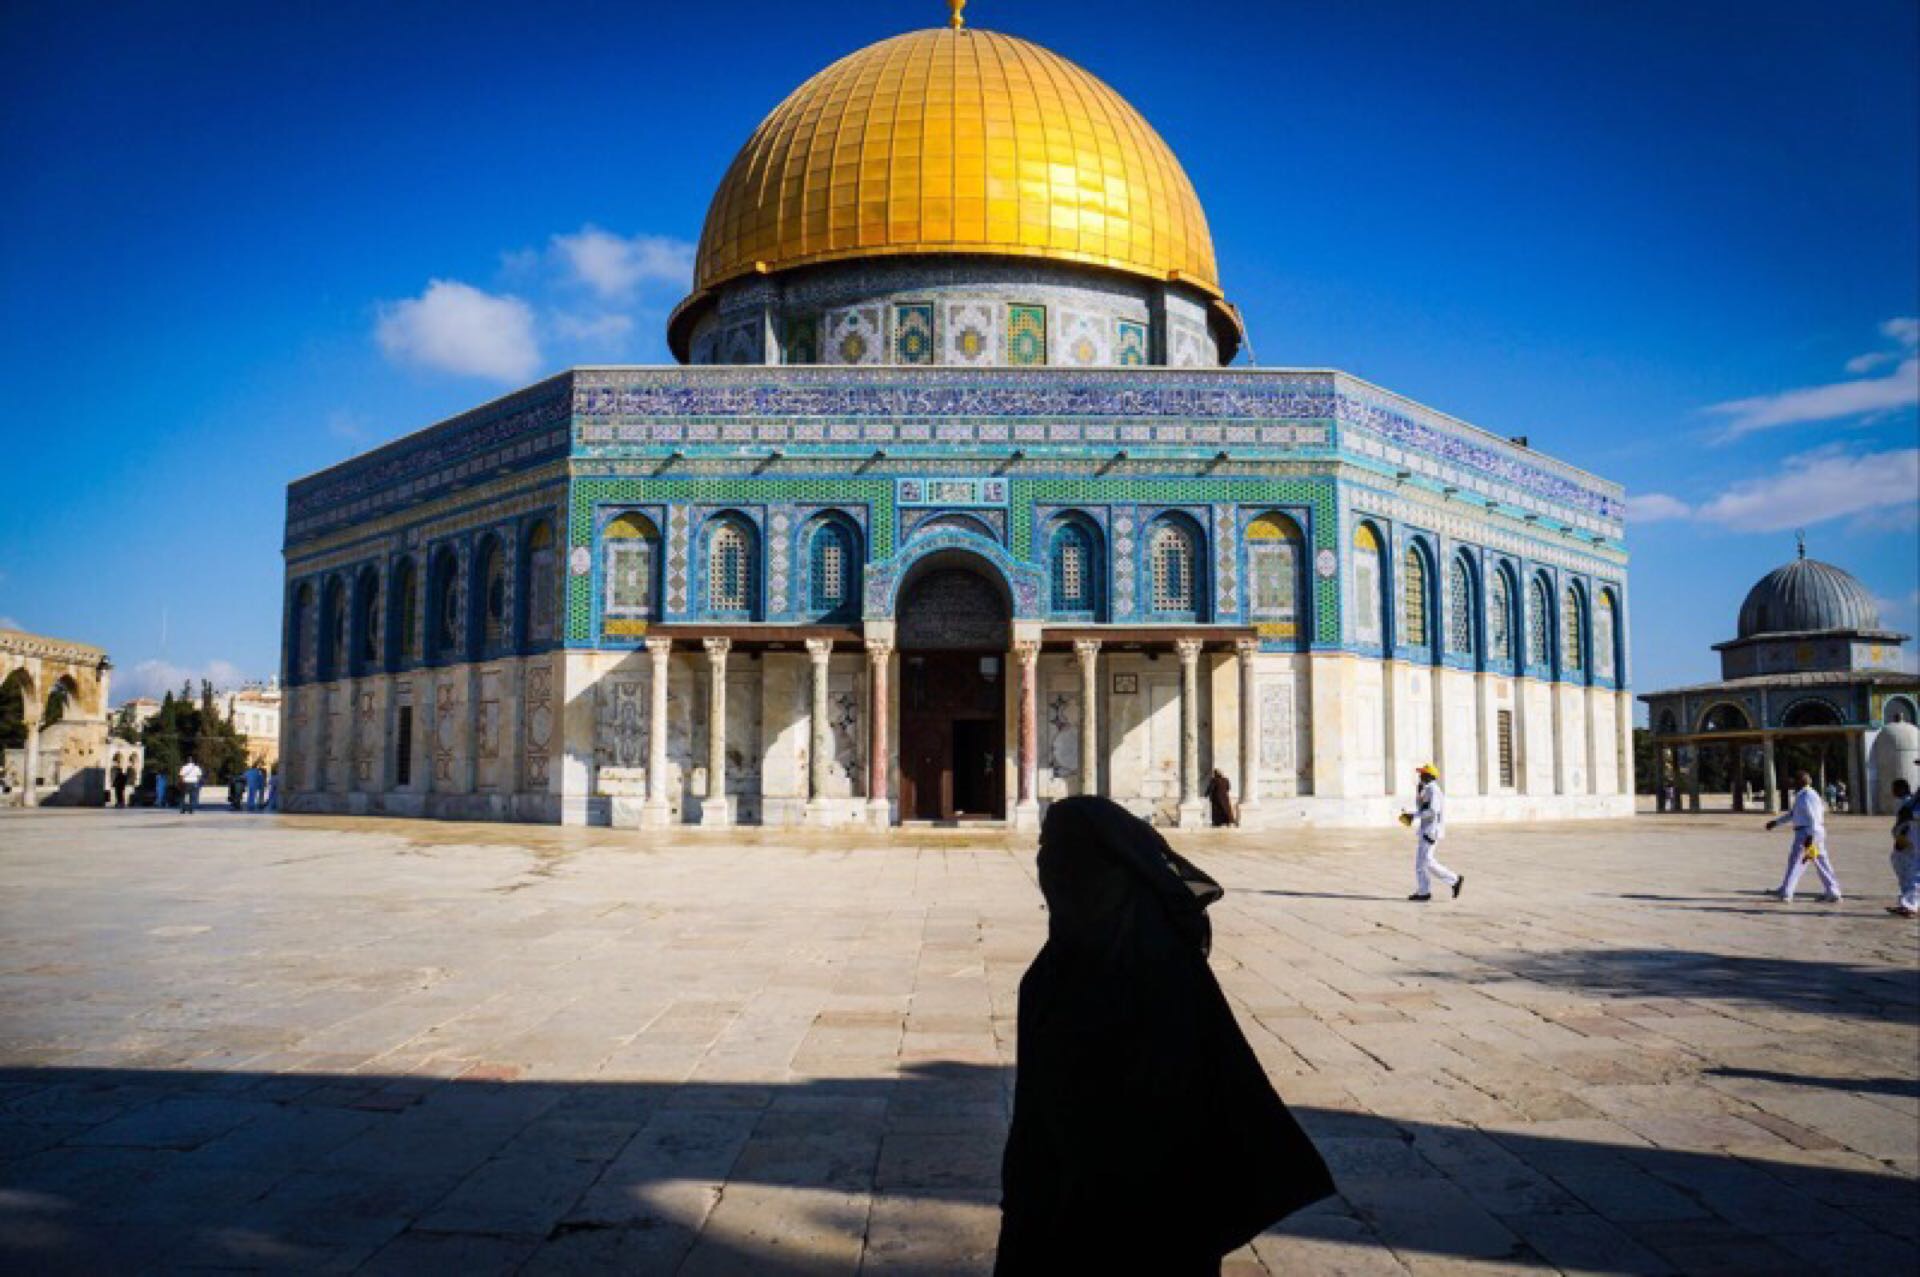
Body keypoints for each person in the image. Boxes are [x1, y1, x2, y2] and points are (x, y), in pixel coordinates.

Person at [995, 797, 1333, 1274]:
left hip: (1157, 1219)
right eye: (1045, 848)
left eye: (1059, 849)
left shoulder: (1164, 973)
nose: (1048, 864)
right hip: (1063, 1216)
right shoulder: (1054, 972)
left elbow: (1201, 1110)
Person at [1766, 770, 1841, 902]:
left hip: (1808, 833)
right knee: (1821, 862)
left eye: (1794, 780)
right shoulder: (1803, 795)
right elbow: (1793, 814)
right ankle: (1833, 891)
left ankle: (1786, 893)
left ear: (1800, 782)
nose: (1792, 783)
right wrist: (1776, 823)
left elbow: (1814, 817)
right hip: (1811, 832)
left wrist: (1810, 836)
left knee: (1798, 862)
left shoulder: (1808, 795)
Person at [1400, 763, 1463, 902]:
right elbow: (1423, 808)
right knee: (1424, 863)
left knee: (1425, 862)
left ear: (1429, 775)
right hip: (1426, 830)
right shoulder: (1427, 789)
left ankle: (1453, 880)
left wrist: (1414, 816)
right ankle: (1426, 890)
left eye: (1422, 773)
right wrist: (1418, 796)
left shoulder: (1434, 790)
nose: (1420, 776)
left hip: (1431, 831)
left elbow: (1432, 812)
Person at [1887, 778, 1918, 919]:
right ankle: (1907, 902)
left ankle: (1911, 905)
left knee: (1914, 873)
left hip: (1913, 838)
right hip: (1910, 837)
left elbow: (1909, 816)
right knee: (1904, 870)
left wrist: (1903, 836)